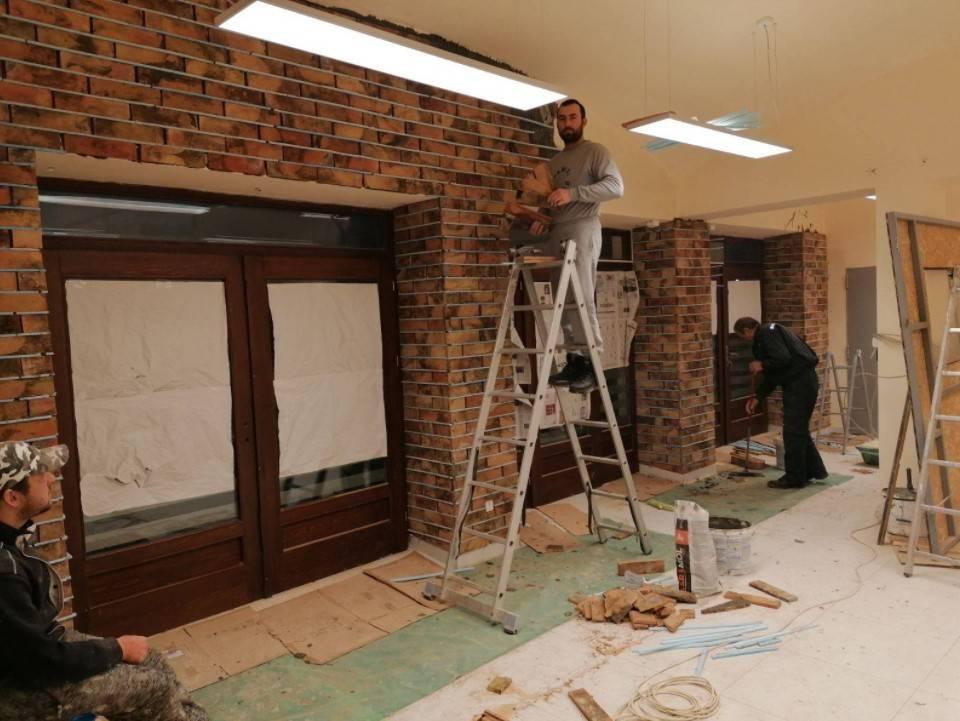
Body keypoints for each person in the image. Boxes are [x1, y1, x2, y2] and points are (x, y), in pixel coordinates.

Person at [0, 441, 208, 721]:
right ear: (12, 497)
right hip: (19, 686)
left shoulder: (13, 536)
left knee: (150, 657)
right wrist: (117, 648)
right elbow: (41, 660)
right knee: (152, 687)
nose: (50, 478)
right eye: (40, 475)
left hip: (40, 651)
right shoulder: (4, 574)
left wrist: (116, 650)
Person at [529, 98, 624, 393]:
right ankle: (575, 361)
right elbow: (552, 200)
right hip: (558, 231)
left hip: (583, 226)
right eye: (562, 118)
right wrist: (541, 218)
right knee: (564, 297)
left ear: (583, 121)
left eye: (572, 117)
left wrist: (573, 194)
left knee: (581, 294)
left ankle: (592, 364)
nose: (567, 123)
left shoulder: (595, 152)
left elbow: (616, 187)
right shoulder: (554, 163)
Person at [733, 317, 829, 489]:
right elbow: (773, 375)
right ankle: (813, 470)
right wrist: (758, 397)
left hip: (800, 384)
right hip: (802, 383)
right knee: (798, 430)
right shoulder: (768, 335)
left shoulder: (767, 333)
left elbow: (783, 359)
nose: (744, 341)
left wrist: (761, 364)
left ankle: (794, 478)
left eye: (742, 336)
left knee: (792, 432)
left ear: (747, 330)